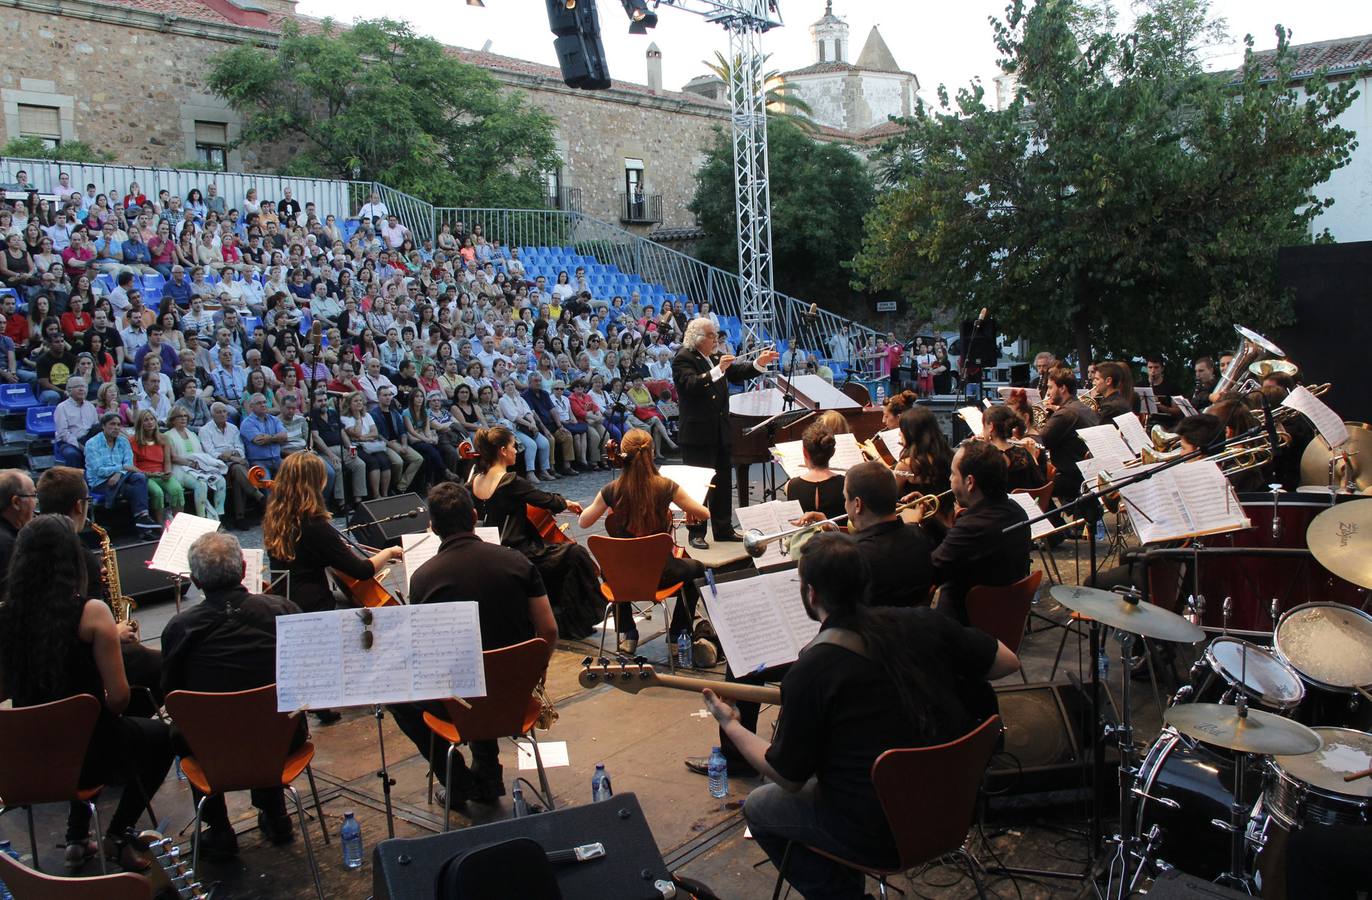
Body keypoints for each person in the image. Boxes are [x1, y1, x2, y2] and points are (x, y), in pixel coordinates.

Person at [704, 532, 1018, 900]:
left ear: (811, 594)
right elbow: (1008, 662)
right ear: (865, 582)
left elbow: (787, 776)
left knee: (760, 806)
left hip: (882, 836)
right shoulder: (923, 622)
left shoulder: (812, 669)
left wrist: (731, 724)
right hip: (954, 808)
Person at [0, 515, 175, 872]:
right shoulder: (92, 614)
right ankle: (119, 833)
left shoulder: (5, 616)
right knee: (159, 737)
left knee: (92, 731)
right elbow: (119, 698)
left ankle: (78, 838)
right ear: (72, 559)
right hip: (88, 751)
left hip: (27, 756)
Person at [388, 482, 558, 806]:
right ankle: (488, 773)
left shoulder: (423, 578)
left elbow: (425, 654)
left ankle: (457, 779)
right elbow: (548, 629)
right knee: (488, 664)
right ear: (475, 516)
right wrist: (536, 671)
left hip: (460, 702)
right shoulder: (518, 562)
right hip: (514, 696)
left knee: (403, 699)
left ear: (434, 528)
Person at [160, 532, 303, 857]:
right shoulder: (283, 610)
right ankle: (277, 816)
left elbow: (171, 693)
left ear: (195, 580)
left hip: (212, 750)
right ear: (242, 569)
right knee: (269, 715)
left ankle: (219, 829)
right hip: (282, 742)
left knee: (190, 729)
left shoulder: (180, 628)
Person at [262, 453, 403, 724]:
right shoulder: (314, 524)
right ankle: (345, 684)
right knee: (368, 613)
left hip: (286, 597)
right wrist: (388, 552)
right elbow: (361, 571)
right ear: (315, 483)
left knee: (349, 601)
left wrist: (337, 550)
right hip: (313, 602)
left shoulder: (276, 516)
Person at [577, 427, 712, 654]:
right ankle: (678, 632)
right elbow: (704, 514)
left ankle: (628, 633)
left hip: (623, 578)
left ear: (622, 454)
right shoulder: (666, 486)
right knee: (698, 570)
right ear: (651, 452)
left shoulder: (611, 489)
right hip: (660, 575)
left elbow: (583, 522)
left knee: (612, 568)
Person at [469, 426, 601, 639]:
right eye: (513, 446)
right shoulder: (509, 481)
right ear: (503, 450)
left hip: (489, 550)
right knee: (574, 554)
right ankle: (571, 621)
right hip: (517, 551)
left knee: (557, 555)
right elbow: (544, 499)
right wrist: (567, 503)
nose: (516, 451)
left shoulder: (475, 480)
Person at [672, 317, 778, 549]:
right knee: (698, 486)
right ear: (699, 338)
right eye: (712, 336)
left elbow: (737, 372)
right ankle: (696, 531)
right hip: (697, 434)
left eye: (716, 335)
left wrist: (759, 363)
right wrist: (718, 370)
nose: (717, 340)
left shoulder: (716, 356)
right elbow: (691, 385)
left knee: (721, 482)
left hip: (720, 431)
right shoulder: (683, 358)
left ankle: (723, 527)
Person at [928, 440, 1032, 624]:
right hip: (1003, 618)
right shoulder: (1015, 510)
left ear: (970, 482)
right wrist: (934, 519)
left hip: (963, 626)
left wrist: (911, 528)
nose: (950, 480)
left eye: (953, 474)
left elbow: (930, 572)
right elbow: (963, 547)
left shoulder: (972, 526)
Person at [84, 412, 162, 534]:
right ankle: (143, 522)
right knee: (135, 489)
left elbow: (129, 464)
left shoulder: (123, 442)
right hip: (101, 482)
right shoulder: (92, 444)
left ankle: (143, 518)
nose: (116, 427)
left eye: (118, 425)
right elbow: (99, 470)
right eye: (112, 424)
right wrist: (122, 468)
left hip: (121, 477)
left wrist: (119, 472)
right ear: (103, 426)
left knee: (139, 477)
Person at [198, 401, 264, 528]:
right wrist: (231, 456)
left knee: (238, 473)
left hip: (235, 463)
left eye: (224, 411)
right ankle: (258, 496)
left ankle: (240, 517)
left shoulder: (233, 428)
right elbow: (211, 453)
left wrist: (232, 455)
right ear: (212, 415)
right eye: (218, 412)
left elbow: (240, 449)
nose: (222, 414)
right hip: (218, 465)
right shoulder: (205, 430)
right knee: (238, 468)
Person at [130, 408, 185, 524]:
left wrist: (168, 472)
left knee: (177, 489)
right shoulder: (132, 441)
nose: (150, 422)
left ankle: (178, 524)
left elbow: (167, 461)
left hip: (161, 473)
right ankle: (161, 526)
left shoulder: (164, 438)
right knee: (157, 492)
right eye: (146, 420)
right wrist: (149, 474)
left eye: (151, 419)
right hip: (145, 475)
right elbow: (133, 466)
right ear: (140, 424)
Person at [784, 423, 846, 520]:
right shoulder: (846, 483)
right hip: (839, 534)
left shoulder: (790, 486)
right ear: (833, 452)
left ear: (805, 452)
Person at [983, 404, 1046, 492]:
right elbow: (1041, 483)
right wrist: (1032, 456)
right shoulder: (1023, 453)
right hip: (1024, 504)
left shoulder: (986, 457)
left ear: (991, 427)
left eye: (983, 426)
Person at [54, 375, 99, 468]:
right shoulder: (61, 408)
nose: (82, 389)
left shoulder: (90, 406)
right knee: (72, 454)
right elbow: (63, 434)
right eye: (78, 386)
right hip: (68, 442)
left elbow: (96, 427)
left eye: (84, 386)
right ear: (69, 390)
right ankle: (75, 480)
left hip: (88, 440)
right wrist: (81, 447)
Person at [239, 392, 286, 479]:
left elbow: (284, 436)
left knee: (295, 474)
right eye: (259, 403)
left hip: (277, 460)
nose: (263, 405)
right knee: (266, 484)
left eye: (264, 402)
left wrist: (269, 438)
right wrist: (276, 437)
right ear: (251, 407)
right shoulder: (247, 423)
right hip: (258, 462)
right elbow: (260, 440)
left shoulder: (274, 420)